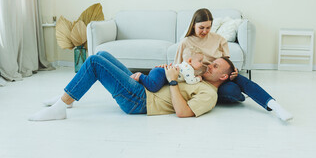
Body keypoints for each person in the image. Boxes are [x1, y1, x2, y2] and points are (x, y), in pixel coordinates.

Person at [28, 51, 235, 121]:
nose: (209, 66)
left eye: (215, 66)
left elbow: (183, 112)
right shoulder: (197, 79)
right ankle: (68, 98)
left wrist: (172, 81)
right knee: (102, 55)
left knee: (93, 62)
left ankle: (61, 108)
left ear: (224, 77)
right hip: (145, 88)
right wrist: (165, 72)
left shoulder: (209, 94)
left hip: (140, 100)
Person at [174, 8, 293, 121]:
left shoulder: (219, 39)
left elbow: (225, 63)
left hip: (219, 77)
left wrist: (233, 70)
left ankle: (274, 105)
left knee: (242, 80)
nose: (205, 31)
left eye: (208, 27)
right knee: (232, 90)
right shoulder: (185, 42)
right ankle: (242, 96)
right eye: (201, 27)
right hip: (201, 82)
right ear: (193, 25)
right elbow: (177, 67)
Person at [131, 47, 204, 92]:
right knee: (153, 87)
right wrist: (198, 78)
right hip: (161, 73)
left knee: (151, 84)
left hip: (160, 72)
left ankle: (140, 79)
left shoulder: (184, 65)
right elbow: (190, 81)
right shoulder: (188, 68)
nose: (202, 63)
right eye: (200, 61)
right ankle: (140, 76)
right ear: (190, 61)